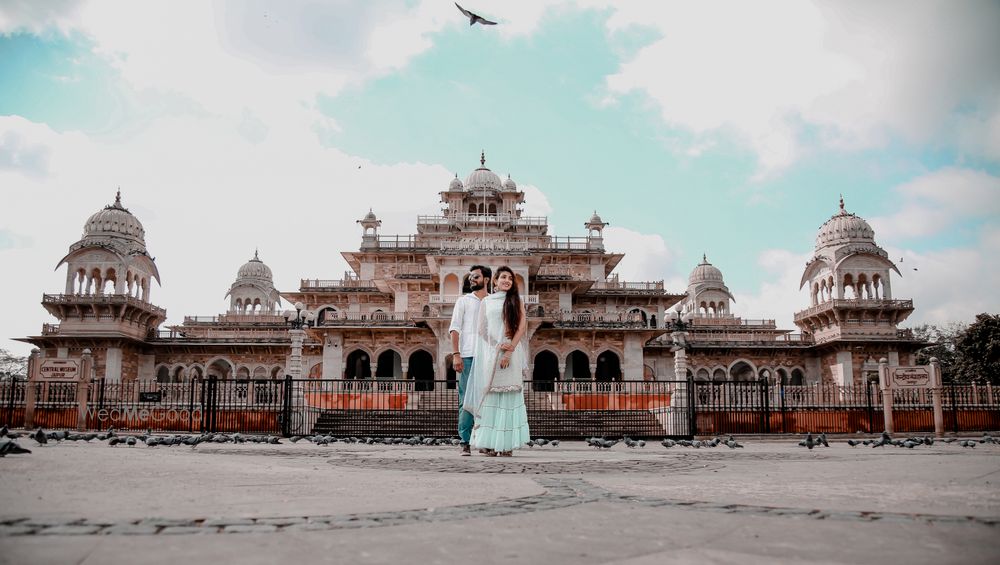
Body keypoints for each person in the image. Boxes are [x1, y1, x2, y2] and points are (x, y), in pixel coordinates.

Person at [466, 265, 530, 456]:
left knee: (509, 396)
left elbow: (521, 327)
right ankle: (491, 443)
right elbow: (482, 330)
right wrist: (497, 345)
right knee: (492, 397)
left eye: (510, 278)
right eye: (503, 277)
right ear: (494, 280)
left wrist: (509, 350)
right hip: (493, 354)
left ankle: (506, 445)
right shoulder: (487, 302)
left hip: (512, 353)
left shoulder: (516, 300)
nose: (507, 281)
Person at [448, 265, 491, 456]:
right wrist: (456, 354)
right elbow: (455, 328)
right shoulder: (464, 301)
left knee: (487, 400)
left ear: (487, 279)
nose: (471, 279)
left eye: (476, 276)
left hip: (488, 357)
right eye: (470, 277)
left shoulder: (494, 302)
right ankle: (465, 441)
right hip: (467, 356)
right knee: (466, 399)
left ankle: (483, 440)